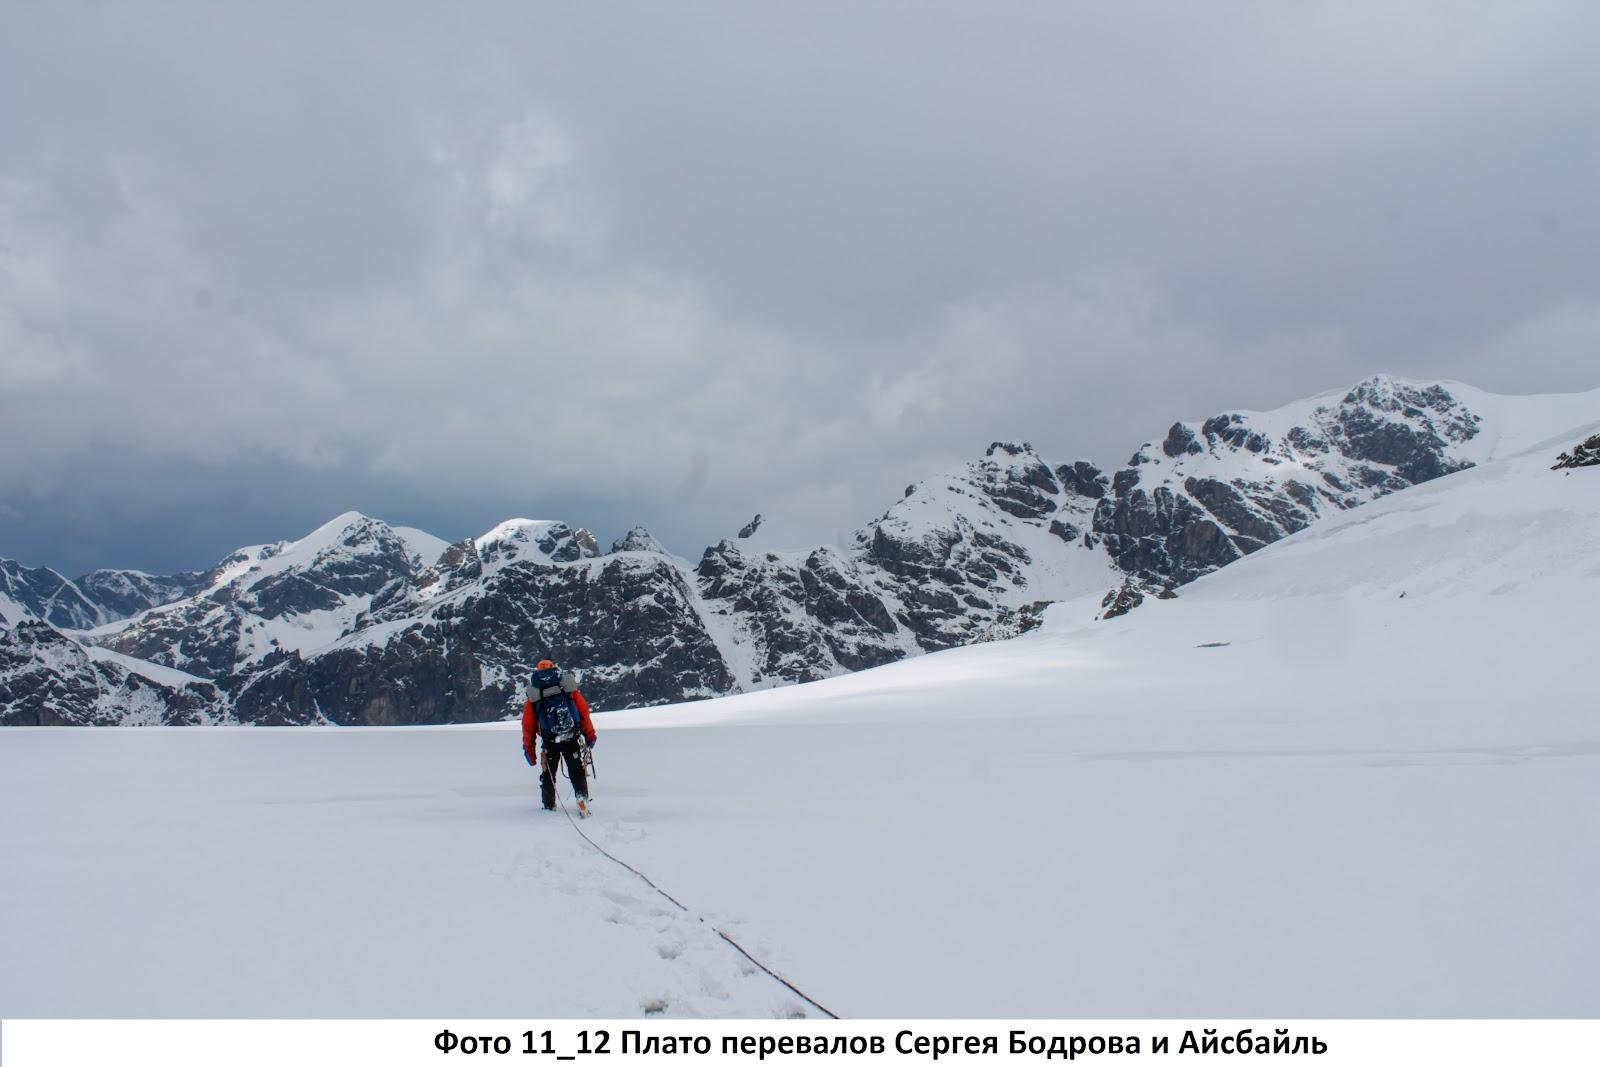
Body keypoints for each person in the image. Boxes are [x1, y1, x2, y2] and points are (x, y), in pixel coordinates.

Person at [522, 659, 598, 814]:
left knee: (549, 772)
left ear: (538, 670)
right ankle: (582, 799)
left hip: (550, 740)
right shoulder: (566, 685)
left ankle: (549, 806)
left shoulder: (535, 691)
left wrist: (529, 749)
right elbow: (583, 712)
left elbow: (528, 724)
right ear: (553, 668)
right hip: (571, 736)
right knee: (576, 770)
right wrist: (589, 734)